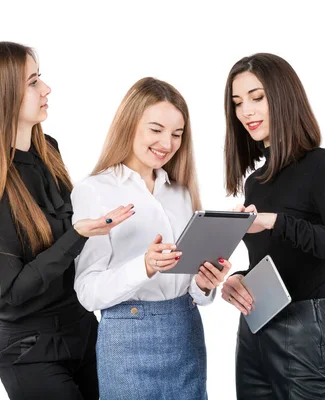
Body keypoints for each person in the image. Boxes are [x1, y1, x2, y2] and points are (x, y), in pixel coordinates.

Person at [0, 41, 134, 400]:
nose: (46, 89)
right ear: (2, 94)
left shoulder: (48, 150)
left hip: (84, 332)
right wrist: (78, 235)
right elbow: (13, 290)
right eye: (33, 81)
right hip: (31, 352)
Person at [71, 77, 230, 399]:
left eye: (177, 134)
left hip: (186, 332)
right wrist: (144, 265)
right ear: (130, 124)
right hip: (126, 339)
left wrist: (204, 284)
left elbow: (194, 292)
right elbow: (87, 293)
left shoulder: (182, 192)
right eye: (156, 130)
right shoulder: (94, 191)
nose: (167, 143)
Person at [220, 53, 325, 399]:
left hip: (304, 334)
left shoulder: (321, 165)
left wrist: (276, 222)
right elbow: (274, 259)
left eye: (257, 97)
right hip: (254, 328)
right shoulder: (255, 182)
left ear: (283, 96)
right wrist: (240, 278)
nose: (246, 112)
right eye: (238, 103)